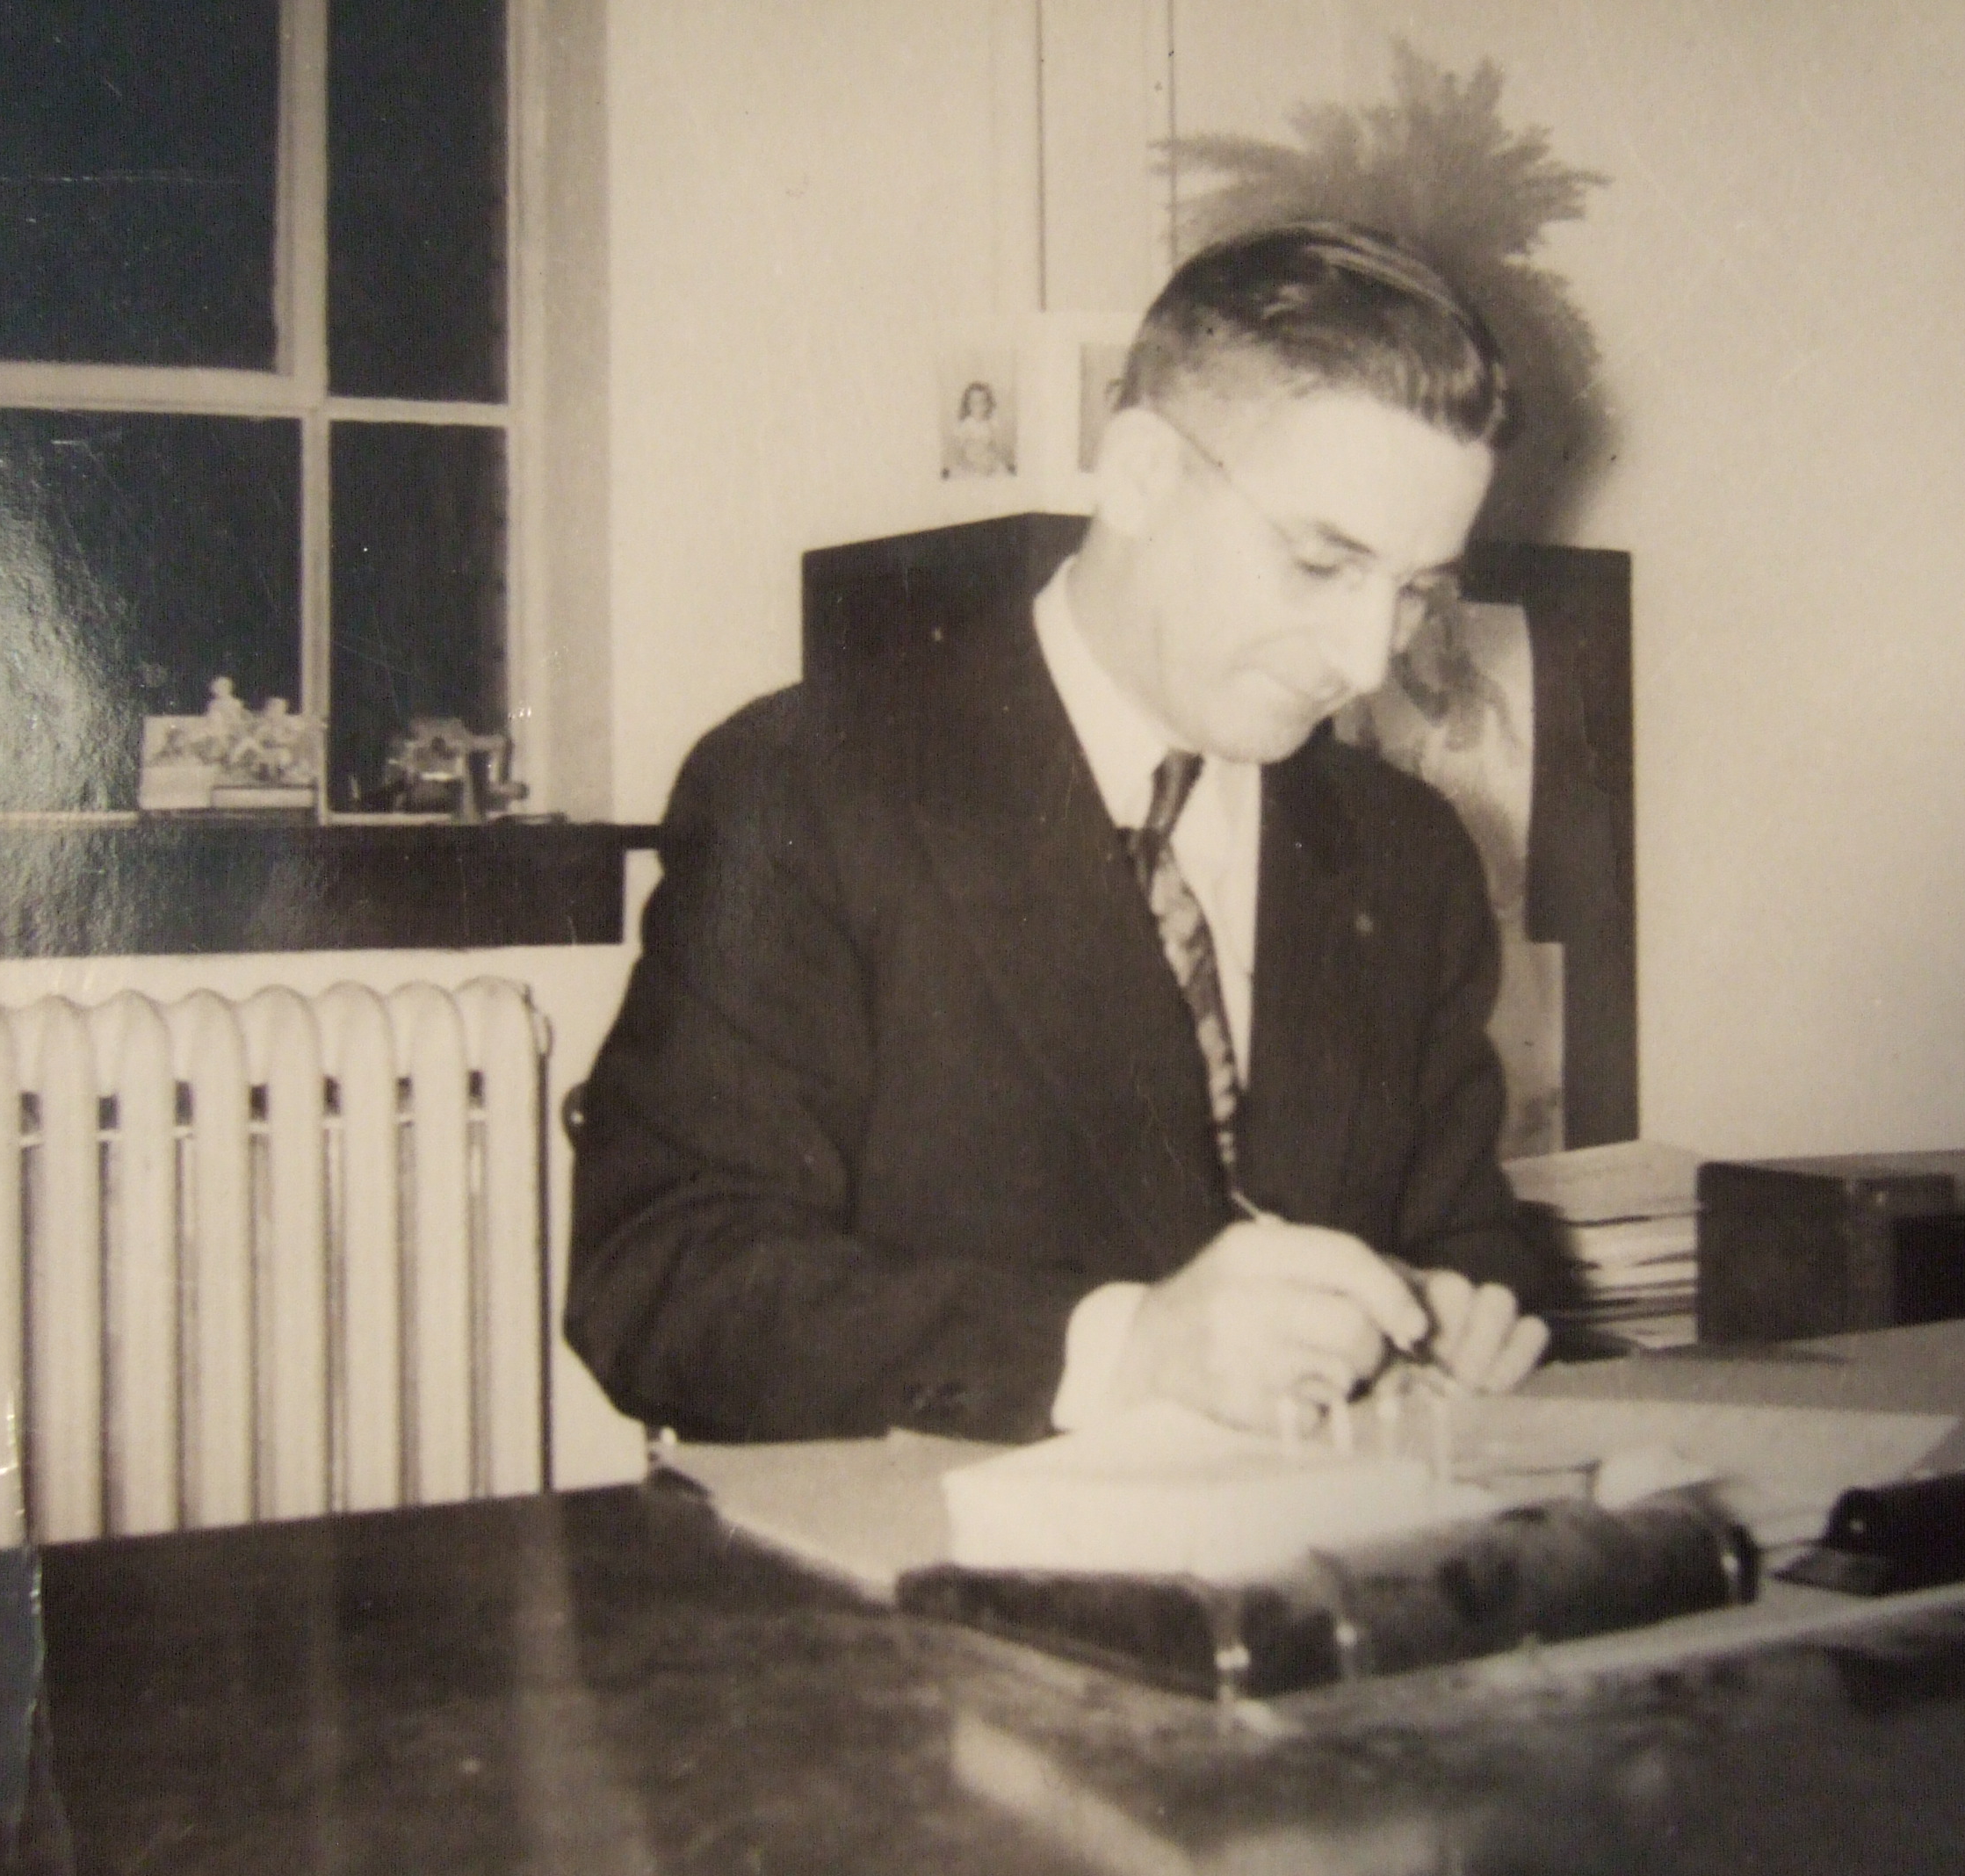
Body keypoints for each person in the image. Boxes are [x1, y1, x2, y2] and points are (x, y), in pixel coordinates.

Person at [567, 221, 1571, 1446]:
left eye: (1417, 591)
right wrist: (1124, 1352)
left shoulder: (1406, 853)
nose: (1367, 663)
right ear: (1143, 472)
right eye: (1322, 563)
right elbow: (662, 1281)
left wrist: (1463, 1308)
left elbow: (1460, 1231)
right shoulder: (806, 791)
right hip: (916, 1584)